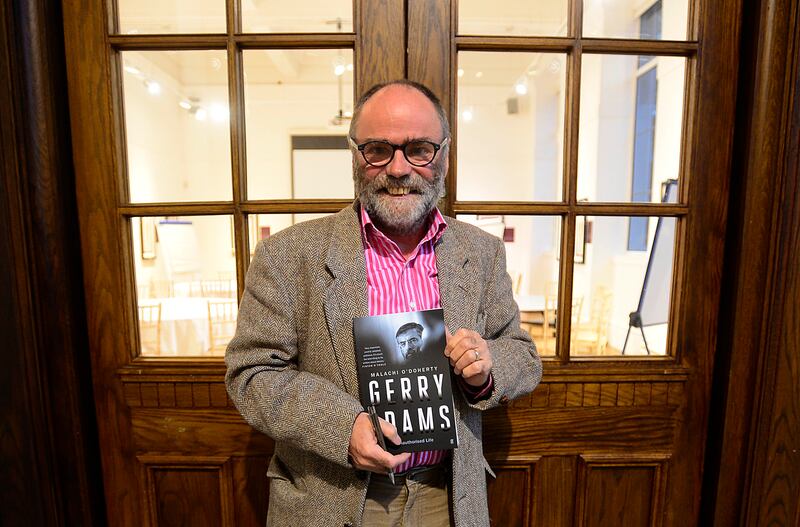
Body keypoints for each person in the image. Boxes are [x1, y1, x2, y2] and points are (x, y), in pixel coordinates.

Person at [225, 79, 542, 527]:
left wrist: (486, 367)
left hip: (446, 496)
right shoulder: (288, 255)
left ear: (445, 157)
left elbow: (523, 355)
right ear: (356, 156)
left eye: (419, 149)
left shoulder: (481, 252)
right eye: (378, 149)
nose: (398, 168)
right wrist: (341, 427)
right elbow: (252, 373)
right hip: (330, 497)